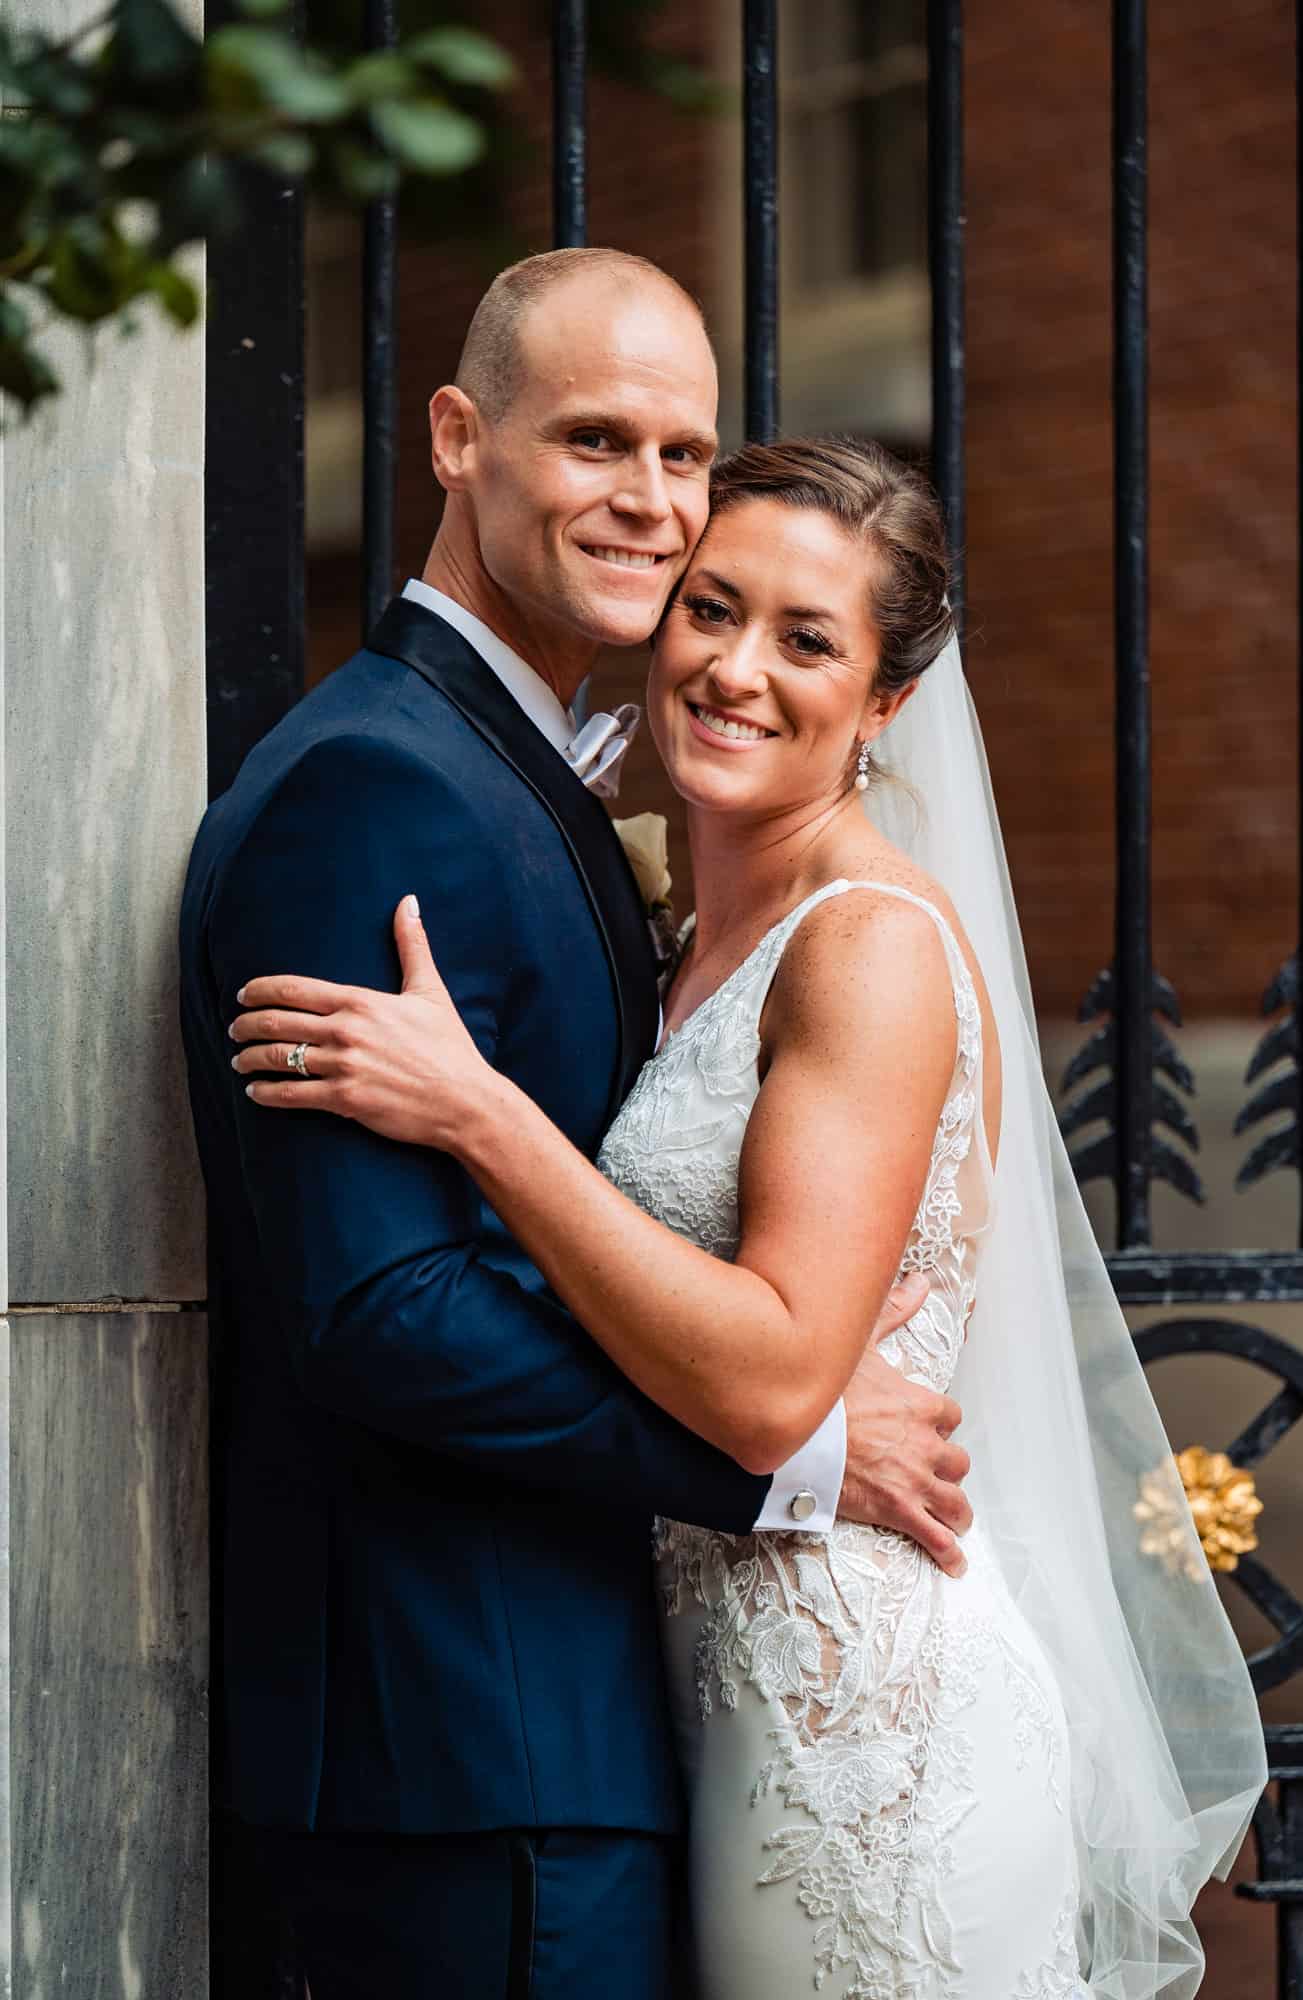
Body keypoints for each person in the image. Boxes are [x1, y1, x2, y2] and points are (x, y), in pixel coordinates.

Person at [231, 435, 1267, 1998]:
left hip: (865, 1723)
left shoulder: (866, 950)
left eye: (807, 641)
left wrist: (477, 1110)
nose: (735, 670)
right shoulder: (692, 937)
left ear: (886, 703)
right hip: (715, 1692)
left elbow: (781, 1380)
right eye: (712, 611)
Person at [178, 250, 973, 2000]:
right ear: (457, 437)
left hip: (593, 1734)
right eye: (596, 439)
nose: (650, 501)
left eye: (684, 455)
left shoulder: (538, 780)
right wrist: (794, 1458)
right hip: (467, 1739)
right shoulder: (383, 782)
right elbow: (381, 1308)